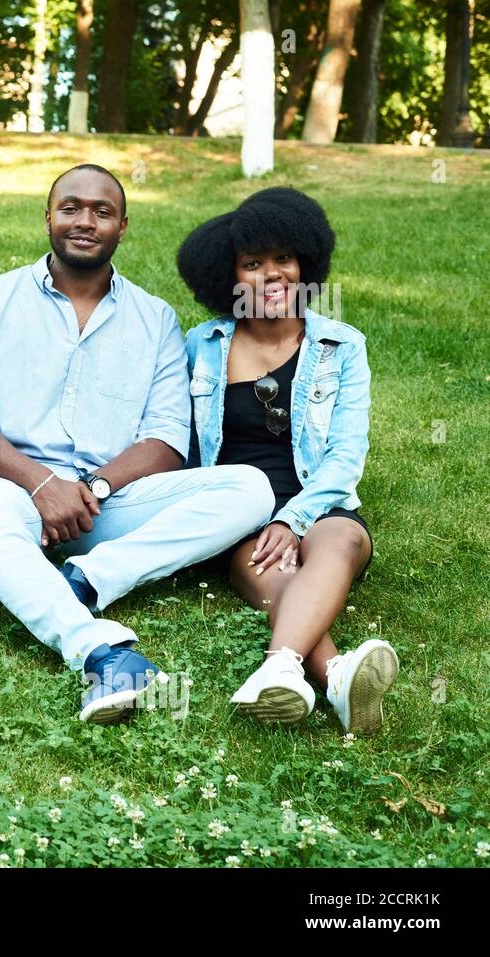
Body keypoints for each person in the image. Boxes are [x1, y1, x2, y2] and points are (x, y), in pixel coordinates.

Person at [0, 164, 275, 725]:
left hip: (108, 501)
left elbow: (168, 439)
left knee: (251, 488)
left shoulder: (155, 318)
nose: (85, 221)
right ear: (48, 217)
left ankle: (86, 581)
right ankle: (103, 653)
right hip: (11, 490)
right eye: (71, 207)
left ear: (123, 227)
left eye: (102, 212)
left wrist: (91, 488)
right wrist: (43, 485)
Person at [177, 187, 397, 734]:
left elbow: (346, 457)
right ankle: (337, 676)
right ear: (231, 278)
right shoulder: (200, 346)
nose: (272, 274)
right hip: (236, 514)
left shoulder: (342, 346)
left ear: (306, 266)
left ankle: (280, 668)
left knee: (340, 541)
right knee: (279, 574)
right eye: (253, 263)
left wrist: (295, 518)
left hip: (319, 503)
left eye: (284, 259)